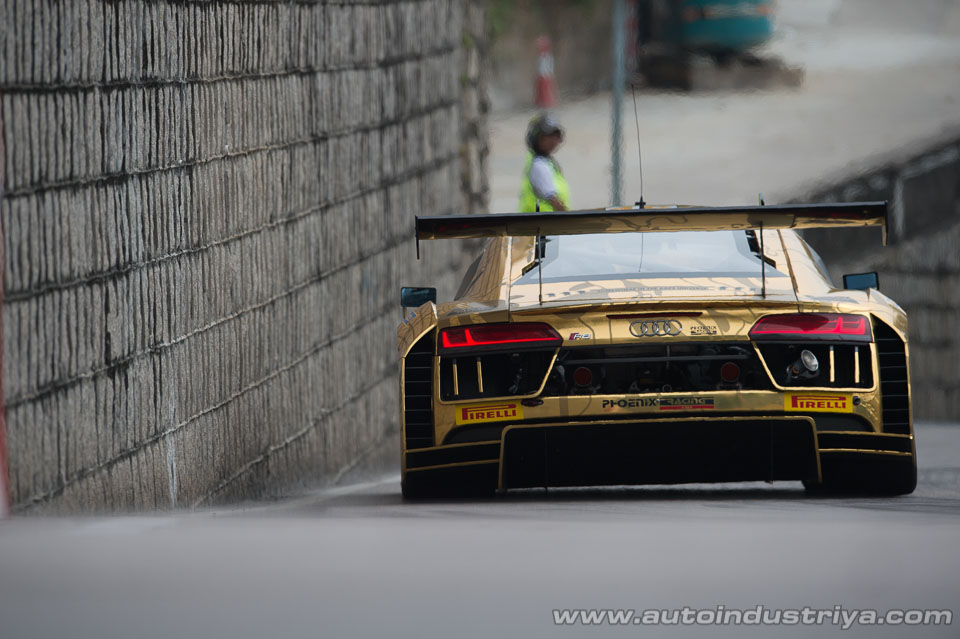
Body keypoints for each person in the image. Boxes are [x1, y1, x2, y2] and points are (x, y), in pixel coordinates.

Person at [519, 113, 570, 212]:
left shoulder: (547, 162)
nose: (553, 140)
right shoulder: (539, 165)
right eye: (547, 137)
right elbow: (554, 201)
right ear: (536, 138)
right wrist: (573, 221)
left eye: (556, 136)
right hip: (542, 224)